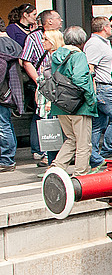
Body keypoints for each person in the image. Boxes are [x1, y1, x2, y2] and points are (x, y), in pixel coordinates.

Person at [47, 27, 97, 176]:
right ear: (82, 41)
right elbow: (80, 79)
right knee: (83, 144)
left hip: (61, 105)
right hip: (78, 106)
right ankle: (80, 175)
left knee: (71, 139)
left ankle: (56, 167)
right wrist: (91, 100)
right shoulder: (78, 56)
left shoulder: (57, 55)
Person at [20, 9, 62, 165]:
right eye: (58, 18)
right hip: (42, 84)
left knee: (50, 117)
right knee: (42, 116)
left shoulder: (60, 36)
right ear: (49, 21)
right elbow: (26, 61)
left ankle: (54, 153)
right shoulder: (34, 38)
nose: (61, 20)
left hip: (57, 85)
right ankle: (42, 151)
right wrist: (38, 81)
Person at [84, 16, 112, 169]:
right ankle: (106, 151)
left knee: (98, 123)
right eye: (110, 26)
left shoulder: (100, 43)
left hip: (103, 86)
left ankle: (95, 154)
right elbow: (89, 68)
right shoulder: (94, 44)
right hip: (102, 87)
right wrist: (92, 91)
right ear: (105, 27)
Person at [0, 19, 24, 173]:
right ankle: (8, 157)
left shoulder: (1, 46)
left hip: (2, 93)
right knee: (5, 124)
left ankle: (6, 160)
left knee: (2, 125)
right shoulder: (12, 43)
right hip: (9, 91)